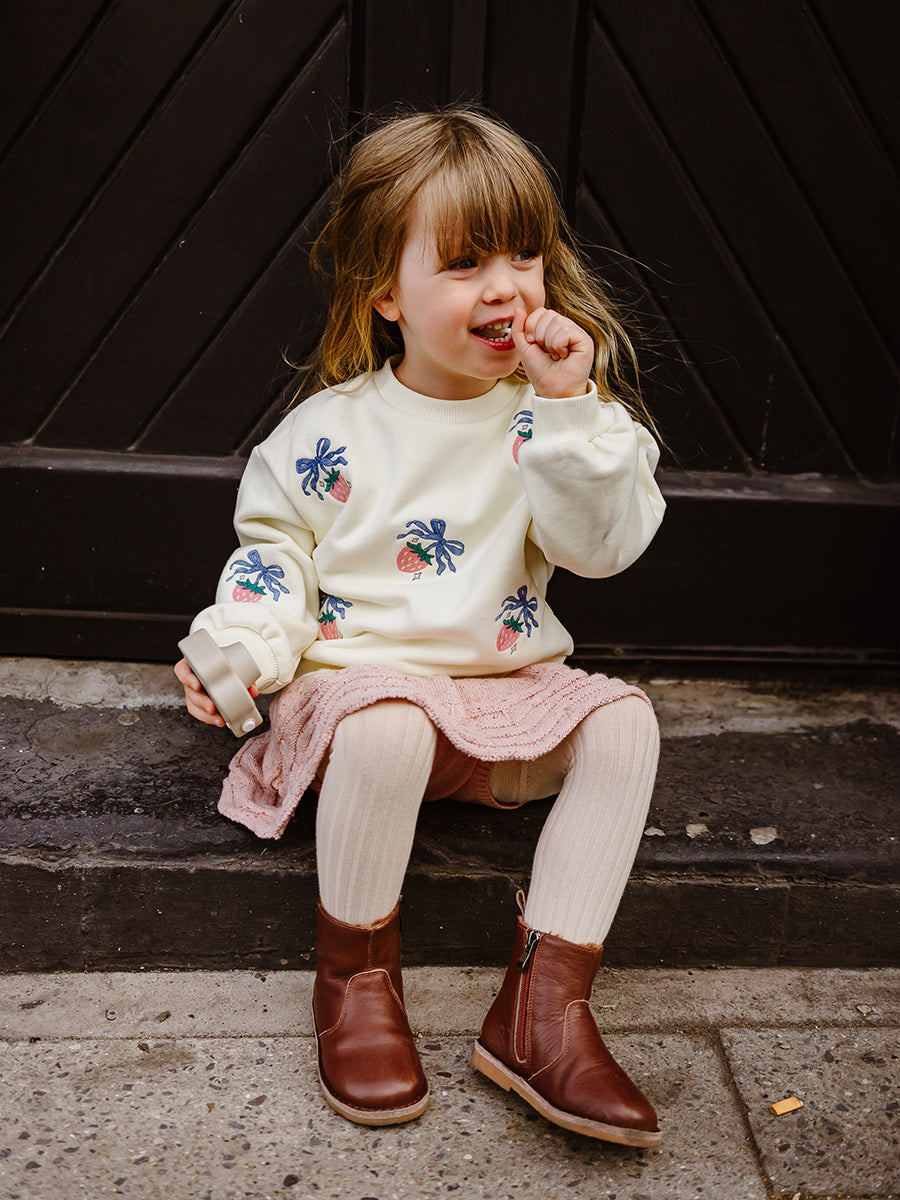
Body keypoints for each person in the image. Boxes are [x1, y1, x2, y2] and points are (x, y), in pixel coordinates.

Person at [175, 107, 667, 1148]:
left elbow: (600, 549)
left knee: (626, 725)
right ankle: (356, 983)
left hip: (499, 707)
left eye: (524, 255)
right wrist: (245, 651)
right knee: (391, 721)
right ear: (385, 292)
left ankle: (543, 1012)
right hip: (363, 707)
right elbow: (274, 560)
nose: (506, 287)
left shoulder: (556, 419)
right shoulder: (328, 434)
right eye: (465, 262)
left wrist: (570, 409)